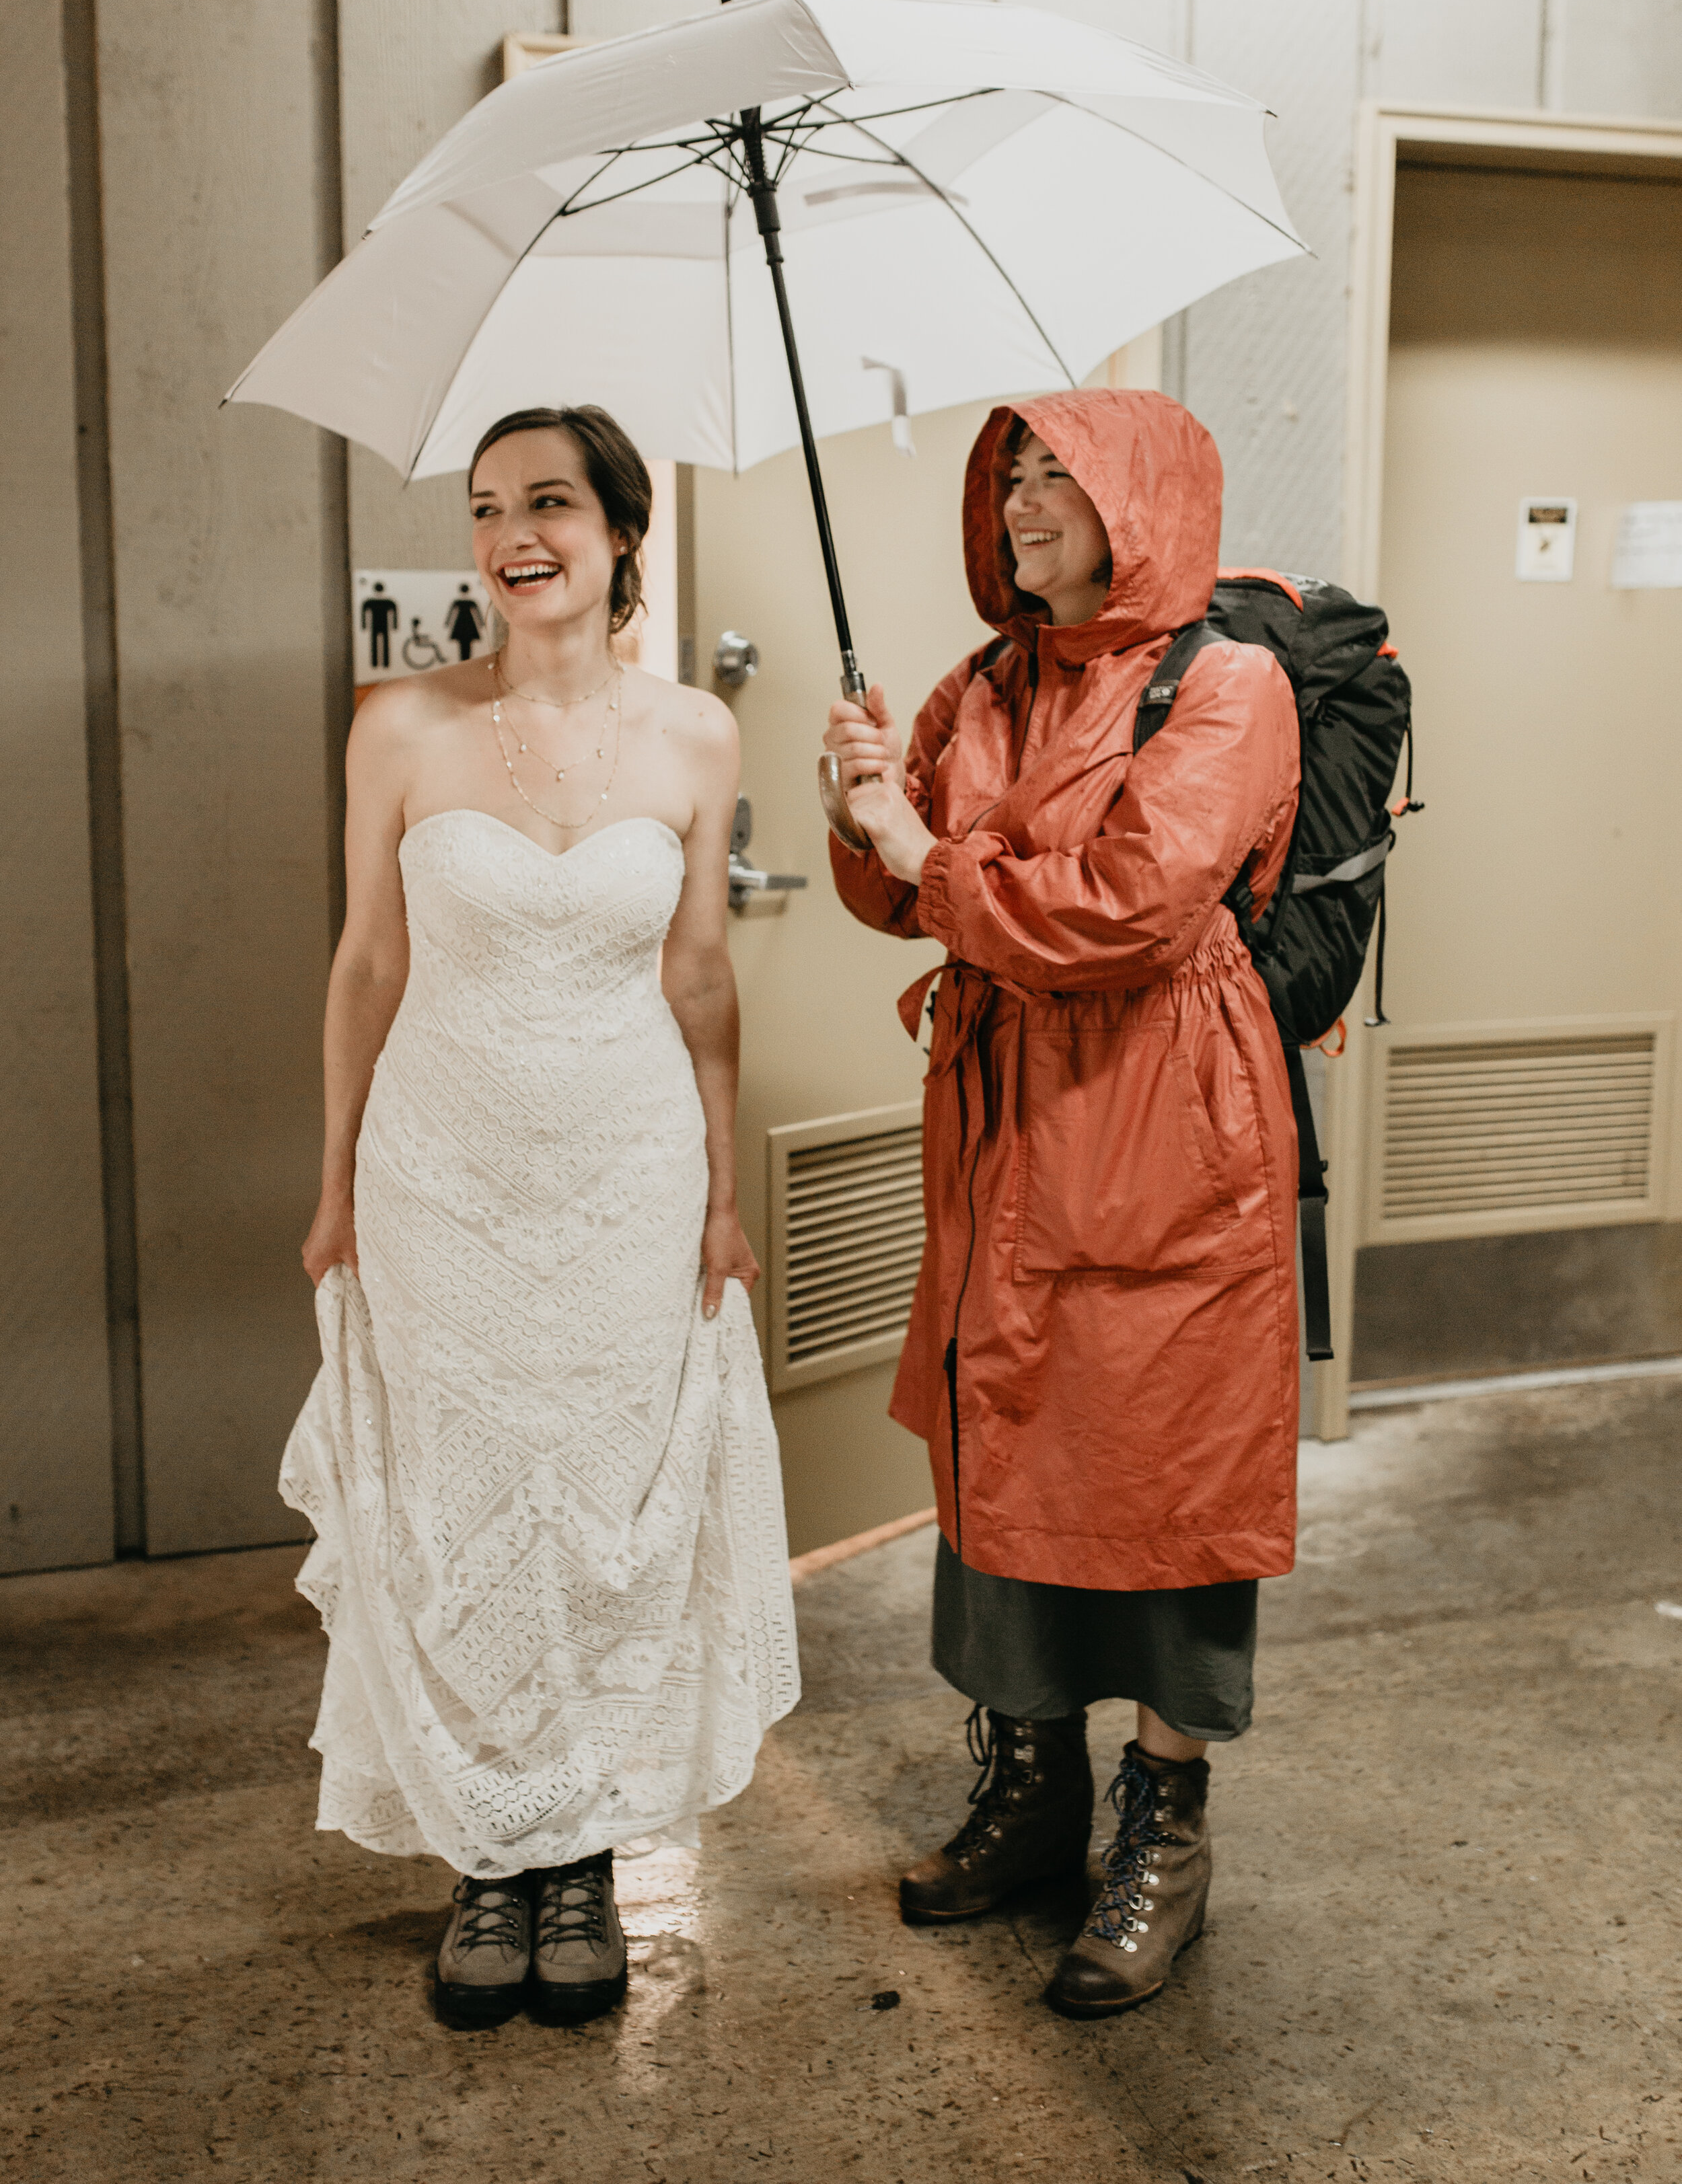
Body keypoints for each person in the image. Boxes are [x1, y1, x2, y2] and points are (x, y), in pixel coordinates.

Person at [289, 403, 799, 2032]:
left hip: (627, 1172)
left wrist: (723, 1188)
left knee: (600, 1498)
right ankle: (482, 1862)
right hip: (439, 1170)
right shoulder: (401, 725)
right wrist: (332, 1179)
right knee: (461, 1498)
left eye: (552, 502)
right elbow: (367, 963)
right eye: (491, 507)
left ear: (620, 531)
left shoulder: (699, 738)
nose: (517, 533)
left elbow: (699, 973)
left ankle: (577, 1857)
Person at [822, 389, 1300, 2020]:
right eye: (1009, 475)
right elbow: (911, 897)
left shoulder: (1226, 686)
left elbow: (1129, 906)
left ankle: (1163, 1829)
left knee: (1160, 1460)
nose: (1022, 504)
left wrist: (930, 859)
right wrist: (865, 811)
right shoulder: (985, 682)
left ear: (1140, 500)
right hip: (1005, 1113)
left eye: (1057, 477)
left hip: (1163, 1118)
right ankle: (1031, 1793)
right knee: (1004, 1425)